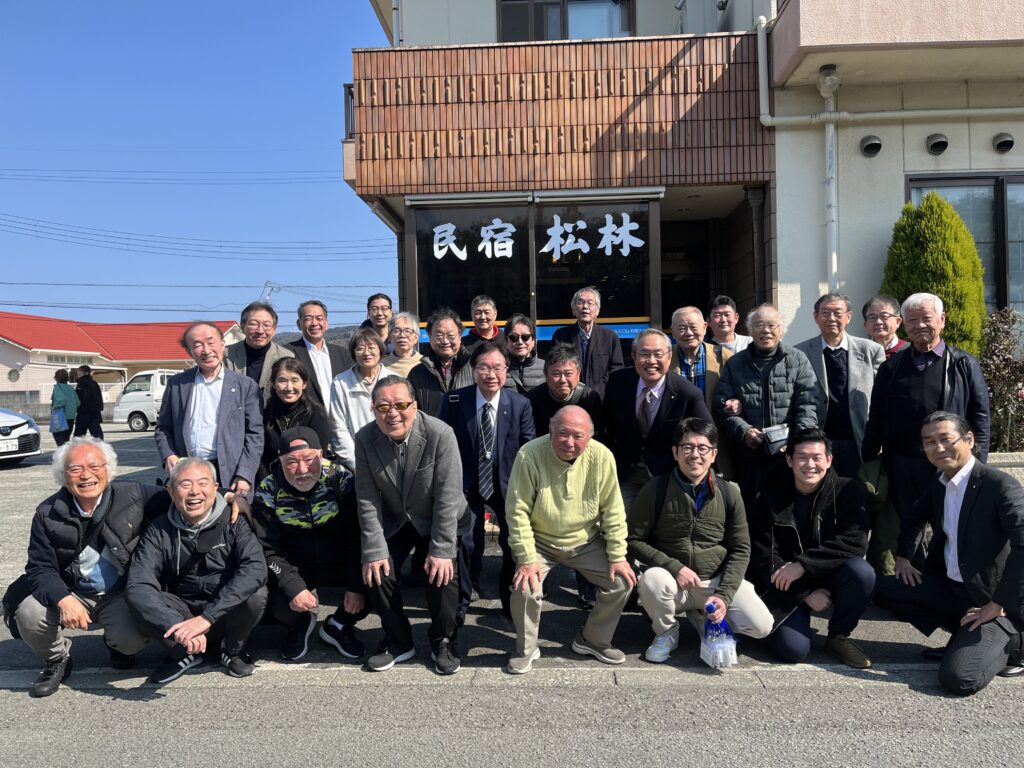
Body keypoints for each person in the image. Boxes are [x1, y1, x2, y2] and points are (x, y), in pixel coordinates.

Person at [876, 412, 1024, 695]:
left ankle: (1014, 643)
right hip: (953, 590)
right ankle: (962, 635)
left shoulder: (999, 485)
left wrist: (998, 603)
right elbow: (914, 517)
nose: (938, 448)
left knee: (959, 678)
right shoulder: (941, 483)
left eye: (946, 439)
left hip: (991, 601)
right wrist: (904, 558)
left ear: (969, 440)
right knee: (878, 588)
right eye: (929, 442)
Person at [12, 438, 163, 697]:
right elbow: (39, 568)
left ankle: (116, 644)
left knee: (131, 639)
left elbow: (183, 495)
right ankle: (57, 659)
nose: (86, 475)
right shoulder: (47, 513)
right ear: (63, 475)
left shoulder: (135, 494)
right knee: (28, 613)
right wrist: (63, 599)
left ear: (108, 469)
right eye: (76, 468)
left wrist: (227, 496)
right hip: (72, 591)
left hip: (119, 592)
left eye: (94, 466)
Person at [862, 293, 991, 568]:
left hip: (949, 462)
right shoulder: (892, 367)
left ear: (942, 320)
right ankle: (913, 577)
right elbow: (876, 418)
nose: (919, 325)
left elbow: (980, 417)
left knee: (949, 522)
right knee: (907, 525)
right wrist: (870, 460)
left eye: (926, 318)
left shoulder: (963, 364)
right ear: (903, 324)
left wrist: (977, 463)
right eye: (912, 320)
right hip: (902, 463)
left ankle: (947, 577)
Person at [505, 406, 637, 674]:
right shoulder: (529, 454)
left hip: (585, 540)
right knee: (525, 587)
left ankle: (592, 639)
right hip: (540, 540)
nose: (569, 442)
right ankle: (525, 649)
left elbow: (613, 510)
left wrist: (618, 556)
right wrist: (527, 558)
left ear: (590, 437)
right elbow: (517, 511)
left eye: (578, 436)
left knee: (622, 581)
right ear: (550, 430)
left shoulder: (602, 456)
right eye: (562, 433)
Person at [628, 418, 772, 663]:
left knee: (762, 626)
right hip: (673, 583)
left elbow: (741, 548)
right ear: (675, 452)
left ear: (714, 454)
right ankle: (666, 632)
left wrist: (724, 595)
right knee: (652, 580)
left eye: (703, 448)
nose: (695, 454)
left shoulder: (729, 492)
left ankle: (703, 617)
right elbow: (633, 540)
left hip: (714, 582)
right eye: (687, 447)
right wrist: (675, 567)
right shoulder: (656, 488)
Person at [354, 375, 470, 675]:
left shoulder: (440, 433)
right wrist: (374, 550)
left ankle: (443, 639)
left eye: (401, 405)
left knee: (443, 571)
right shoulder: (365, 439)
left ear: (415, 406)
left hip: (439, 516)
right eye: (383, 407)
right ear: (373, 409)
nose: (392, 413)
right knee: (377, 568)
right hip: (398, 518)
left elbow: (448, 496)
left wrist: (441, 550)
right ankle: (398, 640)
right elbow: (367, 498)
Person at [126, 458, 268, 684]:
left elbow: (255, 568)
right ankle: (182, 653)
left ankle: (232, 650)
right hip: (182, 613)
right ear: (171, 491)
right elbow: (139, 583)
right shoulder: (159, 529)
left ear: (215, 487)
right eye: (185, 484)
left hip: (223, 612)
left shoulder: (235, 522)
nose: (194, 492)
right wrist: (177, 626)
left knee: (256, 594)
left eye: (203, 483)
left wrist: (208, 617)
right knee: (139, 599)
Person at [747, 429, 875, 669]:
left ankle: (839, 636)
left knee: (862, 573)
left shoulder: (847, 490)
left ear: (829, 460)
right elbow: (763, 554)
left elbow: (855, 541)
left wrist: (804, 565)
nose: (810, 465)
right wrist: (805, 594)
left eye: (817, 457)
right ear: (789, 460)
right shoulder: (769, 495)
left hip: (825, 572)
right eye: (802, 457)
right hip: (785, 581)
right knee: (792, 650)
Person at [252, 428, 369, 661]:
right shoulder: (268, 490)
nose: (302, 470)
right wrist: (292, 586)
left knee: (377, 576)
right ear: (280, 461)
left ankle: (338, 625)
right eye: (291, 462)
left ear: (321, 455)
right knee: (267, 594)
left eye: (309, 459)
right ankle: (298, 623)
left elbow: (360, 536)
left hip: (339, 560)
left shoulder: (340, 478)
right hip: (296, 565)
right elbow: (267, 549)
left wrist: (357, 586)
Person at [440, 341, 535, 620]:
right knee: (466, 541)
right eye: (484, 367)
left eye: (497, 368)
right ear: (473, 370)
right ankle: (461, 602)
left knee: (511, 542)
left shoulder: (520, 404)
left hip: (507, 482)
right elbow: (442, 444)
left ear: (506, 370)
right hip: (467, 482)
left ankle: (510, 601)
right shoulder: (455, 400)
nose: (491, 374)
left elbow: (528, 448)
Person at [713, 304, 823, 513]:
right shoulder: (735, 363)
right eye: (759, 325)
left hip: (788, 455)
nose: (766, 330)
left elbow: (809, 403)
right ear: (750, 330)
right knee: (753, 511)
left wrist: (797, 442)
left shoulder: (797, 359)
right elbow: (722, 405)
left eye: (772, 325)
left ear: (781, 330)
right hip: (750, 456)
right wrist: (744, 431)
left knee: (788, 510)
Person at [603, 329, 711, 508]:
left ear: (669, 357)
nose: (651, 361)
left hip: (670, 475)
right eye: (644, 354)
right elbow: (606, 425)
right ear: (634, 356)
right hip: (626, 473)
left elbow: (707, 434)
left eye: (658, 354)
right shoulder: (617, 382)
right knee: (621, 521)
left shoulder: (687, 393)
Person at [155, 321, 263, 500]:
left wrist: (245, 474)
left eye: (211, 342)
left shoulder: (245, 385)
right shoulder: (177, 384)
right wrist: (168, 455)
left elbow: (255, 434)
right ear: (189, 351)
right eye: (197, 345)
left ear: (223, 344)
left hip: (231, 474)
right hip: (189, 472)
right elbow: (163, 428)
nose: (206, 350)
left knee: (233, 516)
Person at [794, 293, 885, 478]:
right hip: (820, 441)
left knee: (858, 491)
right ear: (816, 317)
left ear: (848, 317)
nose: (831, 318)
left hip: (859, 440)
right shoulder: (800, 353)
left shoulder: (871, 350)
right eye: (825, 313)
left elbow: (882, 398)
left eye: (837, 313)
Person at [669, 305, 735, 478]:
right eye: (681, 328)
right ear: (673, 332)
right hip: (678, 439)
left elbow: (738, 391)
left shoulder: (724, 356)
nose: (688, 333)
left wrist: (736, 402)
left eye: (693, 327)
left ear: (705, 327)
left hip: (716, 438)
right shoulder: (666, 358)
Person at [329, 328, 396, 473]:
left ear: (380, 350)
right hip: (356, 463)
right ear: (353, 352)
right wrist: (357, 464)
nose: (366, 353)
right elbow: (338, 428)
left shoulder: (394, 380)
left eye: (371, 347)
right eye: (360, 349)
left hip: (392, 461)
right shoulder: (340, 382)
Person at [260, 357, 331, 478]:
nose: (289, 387)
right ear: (273, 384)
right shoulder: (265, 414)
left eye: (294, 380)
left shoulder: (316, 414)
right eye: (282, 381)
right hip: (272, 480)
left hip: (307, 478)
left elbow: (319, 457)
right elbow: (261, 455)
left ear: (304, 384)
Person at [551, 286, 623, 398]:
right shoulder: (561, 336)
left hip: (602, 398)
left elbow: (616, 369)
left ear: (597, 311)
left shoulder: (610, 336)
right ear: (574, 309)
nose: (585, 306)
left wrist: (596, 392)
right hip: (570, 397)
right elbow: (555, 367)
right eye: (580, 302)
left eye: (590, 303)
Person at [406, 307, 475, 416]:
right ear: (430, 336)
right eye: (439, 335)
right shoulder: (416, 374)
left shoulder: (475, 367)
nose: (445, 341)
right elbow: (412, 413)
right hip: (431, 427)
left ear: (460, 335)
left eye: (450, 335)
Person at [287, 299, 354, 411]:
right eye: (308, 319)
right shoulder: (288, 353)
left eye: (319, 318)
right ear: (299, 324)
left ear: (326, 324)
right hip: (306, 419)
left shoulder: (343, 354)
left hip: (341, 417)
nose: (314, 323)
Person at [224, 301, 295, 406]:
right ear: (242, 326)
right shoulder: (225, 354)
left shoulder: (286, 356)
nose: (260, 331)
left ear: (274, 329)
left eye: (266, 325)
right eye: (253, 324)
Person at [526, 344, 603, 438]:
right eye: (556, 374)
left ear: (578, 374)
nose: (562, 380)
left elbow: (598, 435)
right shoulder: (532, 399)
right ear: (546, 374)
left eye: (568, 373)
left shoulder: (589, 398)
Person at [504, 313, 545, 393]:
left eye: (525, 337)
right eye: (513, 337)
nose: (520, 342)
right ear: (506, 341)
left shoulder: (546, 368)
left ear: (533, 341)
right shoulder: (498, 369)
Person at [862, 295, 909, 359]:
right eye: (872, 317)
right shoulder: (860, 353)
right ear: (865, 325)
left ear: (898, 321)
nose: (878, 322)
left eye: (884, 316)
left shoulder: (910, 351)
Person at [382, 311, 424, 377]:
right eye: (397, 330)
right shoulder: (382, 366)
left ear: (416, 337)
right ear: (390, 336)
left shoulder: (425, 364)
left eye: (407, 331)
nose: (402, 335)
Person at [50, 369, 79, 446]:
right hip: (71, 417)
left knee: (58, 436)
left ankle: (63, 452)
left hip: (60, 417)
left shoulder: (57, 387)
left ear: (56, 378)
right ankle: (66, 453)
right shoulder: (71, 388)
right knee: (66, 439)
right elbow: (78, 402)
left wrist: (54, 407)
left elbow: (61, 400)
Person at [73, 364, 104, 439]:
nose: (78, 373)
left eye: (80, 371)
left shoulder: (81, 383)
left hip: (83, 413)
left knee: (78, 436)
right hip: (94, 413)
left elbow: (78, 399)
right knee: (97, 436)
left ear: (86, 373)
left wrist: (77, 408)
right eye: (78, 371)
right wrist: (99, 409)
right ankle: (100, 446)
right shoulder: (94, 383)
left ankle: (77, 447)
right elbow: (99, 398)